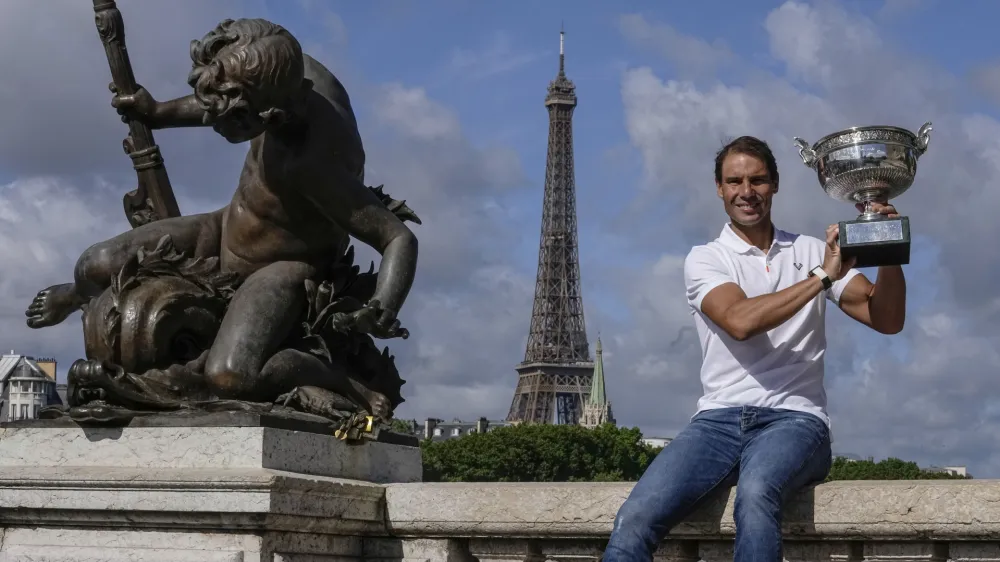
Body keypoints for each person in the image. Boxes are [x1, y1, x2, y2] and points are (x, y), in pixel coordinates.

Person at [24, 18, 418, 416]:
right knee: (95, 263)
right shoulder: (284, 68)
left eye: (230, 122)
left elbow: (398, 238)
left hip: (282, 268)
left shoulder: (314, 166)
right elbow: (226, 96)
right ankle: (76, 294)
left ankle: (339, 380)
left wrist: (383, 307)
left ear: (273, 116)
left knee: (231, 375)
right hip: (224, 226)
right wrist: (158, 112)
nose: (212, 123)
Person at [602, 136, 906, 562]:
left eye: (758, 180)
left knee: (757, 491)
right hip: (716, 421)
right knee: (634, 518)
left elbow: (886, 319)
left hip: (796, 419)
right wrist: (822, 277)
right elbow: (740, 322)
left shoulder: (810, 250)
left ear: (775, 185)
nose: (747, 191)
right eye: (735, 181)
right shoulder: (707, 258)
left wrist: (887, 247)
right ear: (719, 188)